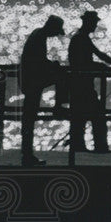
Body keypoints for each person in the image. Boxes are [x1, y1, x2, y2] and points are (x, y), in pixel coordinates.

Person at [66, 10, 111, 153]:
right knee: (97, 115)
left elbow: (92, 57)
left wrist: (110, 64)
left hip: (79, 84)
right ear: (88, 23)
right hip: (82, 85)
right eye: (94, 23)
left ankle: (79, 146)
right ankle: (99, 147)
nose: (95, 26)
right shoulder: (81, 38)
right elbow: (87, 60)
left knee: (81, 117)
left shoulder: (80, 38)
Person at [19, 15, 67, 166]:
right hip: (32, 81)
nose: (56, 35)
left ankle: (27, 153)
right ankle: (59, 106)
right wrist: (53, 65)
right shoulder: (40, 37)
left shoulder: (37, 34)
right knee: (29, 117)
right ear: (52, 28)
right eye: (56, 31)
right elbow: (38, 61)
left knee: (28, 117)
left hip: (28, 79)